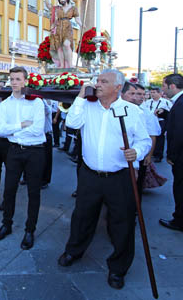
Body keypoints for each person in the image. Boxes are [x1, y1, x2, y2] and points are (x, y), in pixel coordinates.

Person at [57, 69, 151, 290]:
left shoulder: (131, 111)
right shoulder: (87, 107)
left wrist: (136, 152)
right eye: (97, 81)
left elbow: (144, 140)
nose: (97, 84)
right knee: (82, 216)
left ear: (118, 87)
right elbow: (71, 123)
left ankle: (118, 268)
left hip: (119, 177)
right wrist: (81, 95)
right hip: (90, 175)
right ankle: (74, 251)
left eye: (103, 81)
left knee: (122, 222)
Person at [0, 67, 46, 249]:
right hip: (14, 150)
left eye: (18, 79)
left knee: (33, 192)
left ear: (25, 81)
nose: (14, 82)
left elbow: (38, 129)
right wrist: (22, 124)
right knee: (9, 189)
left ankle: (30, 230)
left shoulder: (37, 102)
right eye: (12, 79)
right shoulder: (5, 104)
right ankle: (6, 224)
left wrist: (12, 128)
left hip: (35, 151)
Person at [122, 82, 166, 194]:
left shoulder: (147, 113)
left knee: (137, 184)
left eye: (142, 94)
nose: (140, 97)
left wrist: (149, 155)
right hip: (121, 155)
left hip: (138, 154)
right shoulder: (119, 109)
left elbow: (152, 135)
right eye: (136, 93)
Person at [159, 73, 183, 232]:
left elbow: (180, 133)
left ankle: (180, 220)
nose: (163, 89)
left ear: (172, 86)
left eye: (164, 86)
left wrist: (171, 155)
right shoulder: (181, 102)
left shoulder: (182, 103)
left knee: (181, 188)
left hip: (182, 157)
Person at [41, 0, 82, 68]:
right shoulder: (57, 8)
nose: (61, 0)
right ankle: (62, 65)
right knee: (59, 47)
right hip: (58, 27)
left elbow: (77, 18)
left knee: (67, 44)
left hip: (67, 27)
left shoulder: (73, 8)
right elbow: (49, 5)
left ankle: (70, 65)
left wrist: (81, 24)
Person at [141, 87, 172, 163]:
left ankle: (159, 155)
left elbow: (170, 111)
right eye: (151, 92)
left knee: (159, 137)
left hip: (161, 121)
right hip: (150, 121)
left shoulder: (165, 102)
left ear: (159, 93)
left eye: (154, 92)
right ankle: (151, 152)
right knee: (151, 136)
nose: (152, 94)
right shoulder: (148, 102)